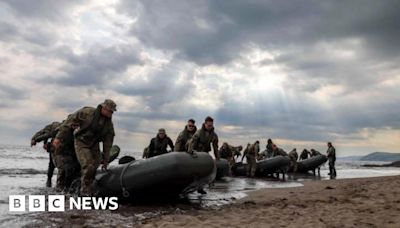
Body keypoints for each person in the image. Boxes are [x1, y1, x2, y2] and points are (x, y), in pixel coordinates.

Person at [54, 99, 116, 196]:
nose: (111, 114)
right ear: (103, 108)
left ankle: (84, 184)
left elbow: (108, 143)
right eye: (110, 111)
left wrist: (106, 159)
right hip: (81, 142)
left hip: (94, 144)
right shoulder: (86, 113)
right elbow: (68, 122)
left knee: (95, 165)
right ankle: (85, 192)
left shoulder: (108, 125)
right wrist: (58, 137)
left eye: (112, 112)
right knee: (88, 164)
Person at [187, 116, 220, 194]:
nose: (209, 127)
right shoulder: (199, 132)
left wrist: (217, 156)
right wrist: (190, 151)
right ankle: (190, 185)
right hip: (196, 152)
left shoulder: (214, 135)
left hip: (205, 153)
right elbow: (192, 142)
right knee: (196, 170)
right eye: (208, 125)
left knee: (206, 170)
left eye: (211, 125)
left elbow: (215, 147)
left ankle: (201, 187)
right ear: (205, 124)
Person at [31, 121, 61, 187]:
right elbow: (45, 135)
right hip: (57, 147)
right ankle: (52, 182)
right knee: (54, 165)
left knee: (52, 165)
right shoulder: (58, 127)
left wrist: (35, 140)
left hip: (58, 147)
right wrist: (44, 143)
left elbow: (46, 134)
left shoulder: (54, 128)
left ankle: (51, 182)